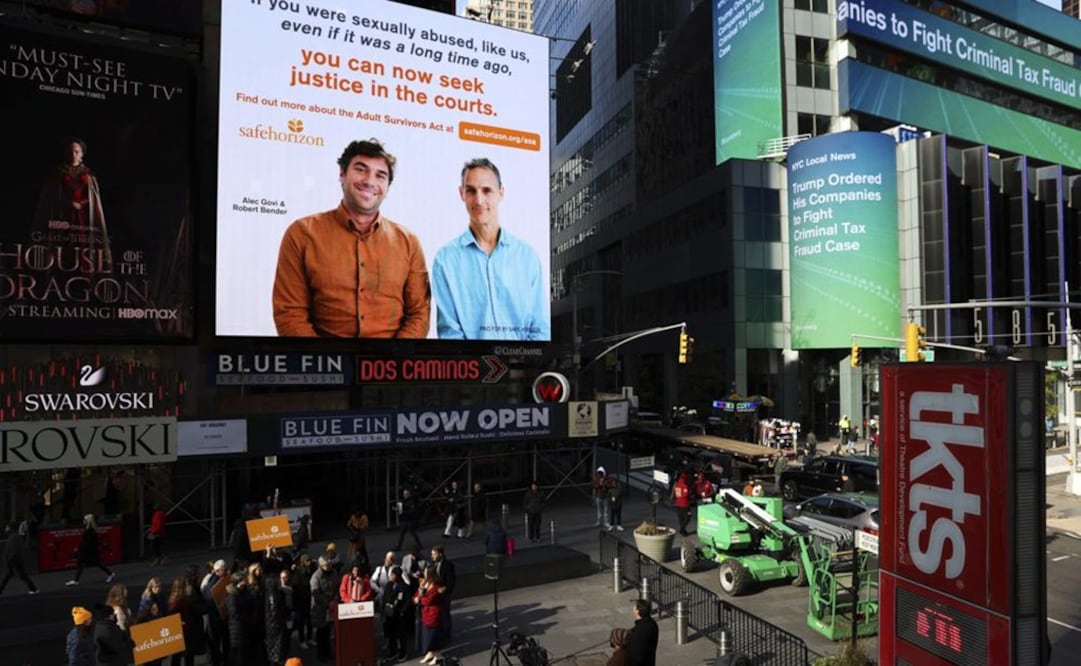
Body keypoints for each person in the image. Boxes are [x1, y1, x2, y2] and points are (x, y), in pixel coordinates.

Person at [273, 138, 431, 338]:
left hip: (391, 365)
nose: (369, 181)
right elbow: (290, 314)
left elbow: (419, 314)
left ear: (387, 188)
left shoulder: (409, 242)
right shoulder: (301, 234)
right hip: (326, 364)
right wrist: (329, 365)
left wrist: (392, 364)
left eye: (380, 175)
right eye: (360, 169)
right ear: (342, 174)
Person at [431, 157, 548, 340]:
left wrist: (526, 365)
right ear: (461, 194)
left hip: (524, 365)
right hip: (471, 367)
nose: (479, 200)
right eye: (471, 191)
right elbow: (450, 334)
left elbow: (540, 328)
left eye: (487, 191)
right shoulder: (445, 260)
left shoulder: (528, 257)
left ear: (501, 193)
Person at [33, 137, 112, 264]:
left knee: (83, 244)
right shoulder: (57, 173)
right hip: (62, 215)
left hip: (84, 216)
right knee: (63, 244)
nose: (73, 154)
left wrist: (82, 203)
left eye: (76, 151)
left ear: (82, 153)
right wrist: (69, 202)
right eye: (70, 151)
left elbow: (93, 198)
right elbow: (50, 196)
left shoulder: (89, 174)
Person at [66, 514, 116, 585]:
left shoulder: (90, 531)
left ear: (88, 521)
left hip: (89, 551)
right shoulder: (89, 530)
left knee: (95, 563)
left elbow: (87, 542)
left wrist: (79, 548)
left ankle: (110, 573)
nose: (83, 521)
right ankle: (76, 580)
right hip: (88, 550)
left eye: (85, 520)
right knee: (83, 563)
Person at [412, 566, 445, 665]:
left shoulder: (436, 586)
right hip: (425, 613)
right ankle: (430, 652)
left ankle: (437, 656)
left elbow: (428, 600)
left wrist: (420, 598)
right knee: (426, 635)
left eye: (426, 572)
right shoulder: (425, 583)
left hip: (433, 614)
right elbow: (417, 593)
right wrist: (416, 598)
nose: (424, 574)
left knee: (433, 636)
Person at [199, 559, 229, 666]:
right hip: (216, 620)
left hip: (221, 618)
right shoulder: (212, 585)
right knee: (215, 646)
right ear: (217, 571)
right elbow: (211, 602)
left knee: (224, 644)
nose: (226, 571)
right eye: (224, 570)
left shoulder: (221, 579)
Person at [309, 556, 338, 663]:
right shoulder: (316, 577)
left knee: (328, 632)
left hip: (331, 606)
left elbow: (337, 587)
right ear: (321, 566)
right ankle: (321, 654)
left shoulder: (334, 573)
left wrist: (335, 599)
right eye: (327, 565)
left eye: (330, 564)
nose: (329, 566)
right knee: (321, 633)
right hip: (320, 609)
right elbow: (316, 594)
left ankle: (328, 652)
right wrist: (327, 603)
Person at [381, 565, 411, 662]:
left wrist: (402, 611)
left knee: (401, 635)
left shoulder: (404, 587)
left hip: (399, 615)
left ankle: (403, 652)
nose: (391, 577)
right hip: (389, 615)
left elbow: (407, 601)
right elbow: (384, 598)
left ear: (397, 576)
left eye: (393, 575)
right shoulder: (388, 585)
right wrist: (384, 611)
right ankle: (393, 651)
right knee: (391, 635)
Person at [1, 520, 39, 595]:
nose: (6, 529)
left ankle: (34, 589)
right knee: (8, 577)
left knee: (22, 576)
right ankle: (33, 589)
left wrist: (10, 558)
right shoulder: (13, 536)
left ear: (11, 528)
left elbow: (15, 550)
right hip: (13, 561)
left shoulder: (14, 537)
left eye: (7, 527)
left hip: (14, 561)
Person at [429, 545, 456, 640]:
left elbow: (451, 581)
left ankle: (447, 634)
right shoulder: (432, 564)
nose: (432, 556)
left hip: (443, 594)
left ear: (440, 554)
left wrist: (445, 588)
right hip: (434, 593)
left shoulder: (448, 565)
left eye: (434, 554)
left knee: (445, 614)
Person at [624, 599, 659, 666]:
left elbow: (636, 656)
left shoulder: (637, 632)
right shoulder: (653, 624)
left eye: (634, 606)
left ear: (637, 611)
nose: (633, 607)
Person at [394, 488, 423, 553]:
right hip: (404, 519)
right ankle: (399, 546)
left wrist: (403, 512)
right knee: (402, 533)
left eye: (406, 494)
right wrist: (397, 509)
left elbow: (412, 511)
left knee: (412, 533)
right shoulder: (403, 501)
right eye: (404, 494)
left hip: (410, 520)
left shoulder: (411, 501)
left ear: (409, 494)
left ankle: (419, 545)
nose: (405, 495)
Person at [673, 472, 692, 536]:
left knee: (681, 518)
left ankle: (683, 531)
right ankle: (682, 529)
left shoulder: (677, 485)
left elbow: (676, 494)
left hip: (678, 504)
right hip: (685, 504)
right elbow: (686, 494)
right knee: (688, 517)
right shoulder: (685, 486)